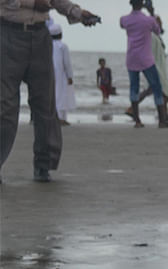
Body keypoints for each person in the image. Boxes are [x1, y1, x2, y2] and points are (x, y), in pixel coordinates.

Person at [1, 0, 100, 182]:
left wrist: (77, 13)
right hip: (8, 35)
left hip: (40, 36)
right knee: (5, 106)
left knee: (45, 105)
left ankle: (43, 165)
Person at [119, 0, 168, 129]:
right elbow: (158, 31)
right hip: (146, 58)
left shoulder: (124, 19)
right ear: (142, 5)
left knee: (134, 88)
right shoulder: (148, 20)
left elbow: (122, 25)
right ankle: (161, 120)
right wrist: (152, 12)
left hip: (131, 57)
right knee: (157, 87)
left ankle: (137, 120)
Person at [48, 21, 75, 126]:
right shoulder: (63, 46)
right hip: (61, 74)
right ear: (61, 34)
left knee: (53, 94)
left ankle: (56, 117)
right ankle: (61, 118)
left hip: (50, 73)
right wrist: (70, 76)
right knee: (62, 95)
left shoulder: (48, 45)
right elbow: (67, 63)